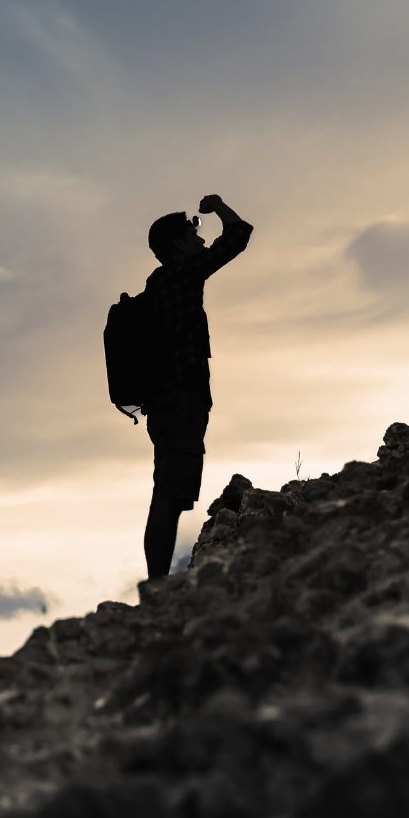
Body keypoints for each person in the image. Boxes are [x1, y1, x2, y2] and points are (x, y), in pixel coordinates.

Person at [141, 194, 253, 579]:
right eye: (193, 233)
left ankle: (157, 584)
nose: (201, 238)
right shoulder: (181, 276)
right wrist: (220, 205)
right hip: (179, 400)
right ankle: (157, 587)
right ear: (177, 244)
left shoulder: (157, 285)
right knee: (169, 496)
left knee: (169, 492)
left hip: (164, 404)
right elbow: (237, 236)